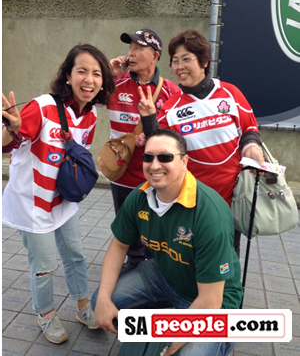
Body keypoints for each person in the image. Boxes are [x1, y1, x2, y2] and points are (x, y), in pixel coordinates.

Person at [91, 129, 243, 356]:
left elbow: (211, 299)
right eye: (148, 157)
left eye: (165, 157)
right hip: (165, 274)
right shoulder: (140, 196)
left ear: (184, 162)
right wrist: (103, 298)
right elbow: (119, 246)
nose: (154, 165)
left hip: (210, 296)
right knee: (101, 300)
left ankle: (224, 339)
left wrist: (177, 337)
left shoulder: (210, 213)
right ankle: (162, 317)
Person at [1, 43, 115, 344]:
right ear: (67, 75)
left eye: (96, 73)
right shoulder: (41, 107)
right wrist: (10, 128)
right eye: (81, 71)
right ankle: (45, 313)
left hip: (63, 202)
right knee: (44, 265)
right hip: (33, 203)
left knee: (76, 255)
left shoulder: (90, 116)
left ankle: (82, 306)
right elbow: (9, 141)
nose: (89, 80)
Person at [136, 29, 264, 256]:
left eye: (186, 59)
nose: (179, 66)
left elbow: (249, 129)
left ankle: (227, 293)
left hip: (232, 197)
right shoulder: (172, 107)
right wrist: (148, 118)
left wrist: (252, 146)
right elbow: (160, 147)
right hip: (192, 199)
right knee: (191, 256)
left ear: (204, 62)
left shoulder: (230, 93)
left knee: (226, 257)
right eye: (175, 61)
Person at [105, 28, 182, 273]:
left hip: (156, 174)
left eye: (139, 48)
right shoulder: (115, 83)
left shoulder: (171, 90)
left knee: (157, 221)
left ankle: (155, 263)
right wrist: (107, 74)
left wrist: (153, 131)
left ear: (155, 56)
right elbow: (80, 100)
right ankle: (134, 261)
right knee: (126, 221)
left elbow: (178, 134)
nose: (131, 53)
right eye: (131, 48)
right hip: (122, 172)